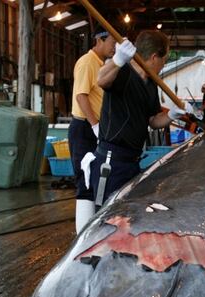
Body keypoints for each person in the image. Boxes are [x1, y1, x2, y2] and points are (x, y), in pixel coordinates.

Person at [88, 30, 190, 206]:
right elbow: (101, 80)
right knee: (107, 216)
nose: (163, 65)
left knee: (128, 214)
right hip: (111, 161)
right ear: (153, 57)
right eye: (164, 60)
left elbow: (153, 121)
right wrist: (118, 59)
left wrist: (172, 115)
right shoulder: (122, 70)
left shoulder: (151, 84)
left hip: (133, 161)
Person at [68, 27, 115, 233]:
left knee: (96, 179)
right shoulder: (88, 62)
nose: (115, 48)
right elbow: (81, 96)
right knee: (85, 180)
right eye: (113, 43)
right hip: (84, 128)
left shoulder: (101, 65)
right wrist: (94, 124)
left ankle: (92, 232)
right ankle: (82, 238)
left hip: (94, 127)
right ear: (100, 40)